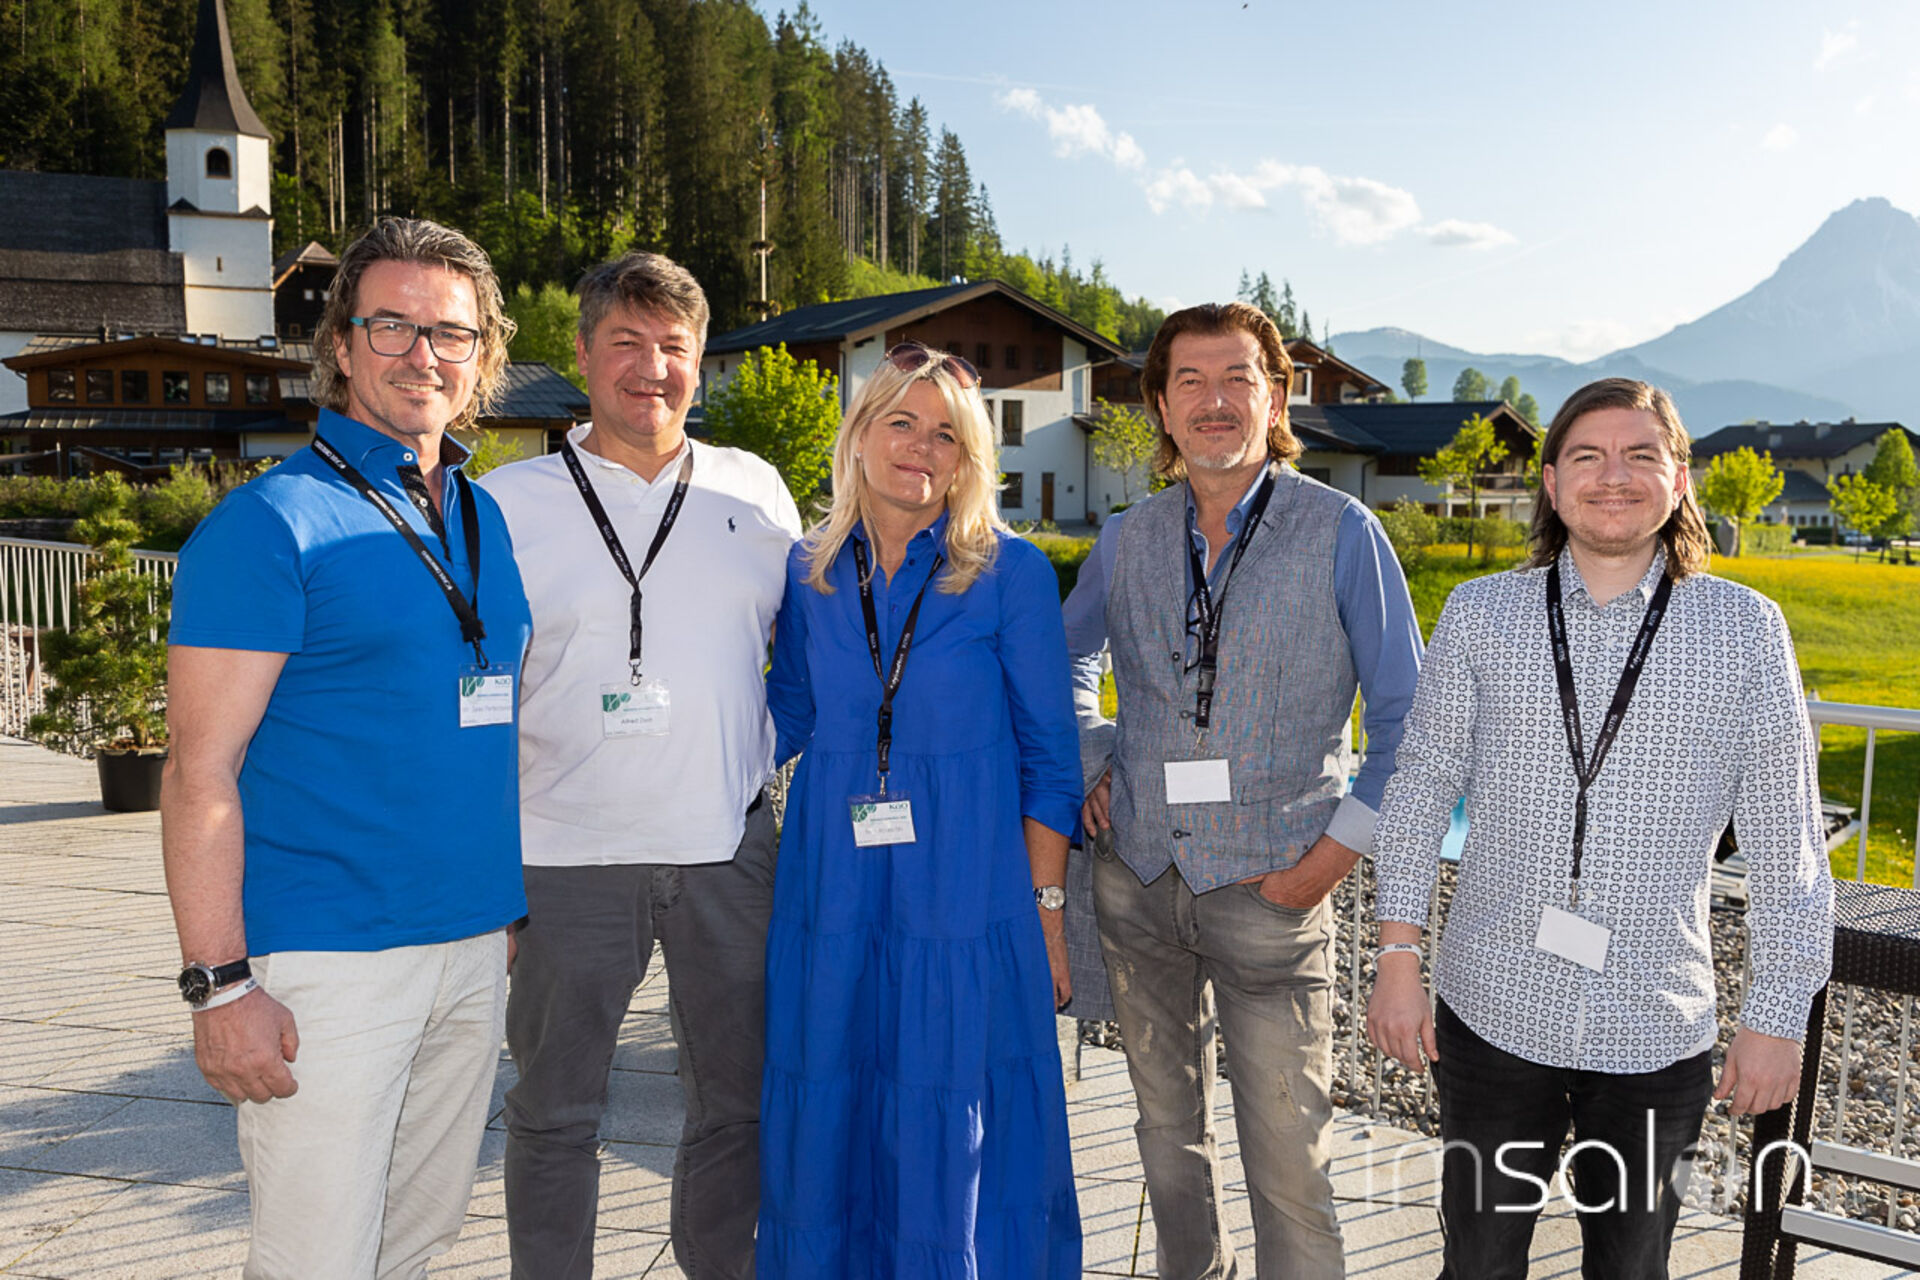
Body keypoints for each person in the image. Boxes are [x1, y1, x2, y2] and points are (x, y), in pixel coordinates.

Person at [1367, 377, 1834, 1279]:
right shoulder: (1480, 614)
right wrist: (1396, 958)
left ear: (1680, 477)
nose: (1612, 476)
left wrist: (1777, 1018)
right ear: (1550, 482)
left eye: (1639, 455)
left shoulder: (1745, 630)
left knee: (1632, 1268)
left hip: (1655, 1024)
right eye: (1586, 455)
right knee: (1479, 1263)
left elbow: (1789, 848)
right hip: (1493, 1010)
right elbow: (1419, 789)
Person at [160, 215, 531, 1278]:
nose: (424, 354)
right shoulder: (268, 524)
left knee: (416, 1243)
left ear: (482, 356)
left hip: (472, 945)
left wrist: (499, 918)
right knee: (317, 1258)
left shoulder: (482, 516)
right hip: (328, 962)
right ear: (340, 343)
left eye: (450, 332)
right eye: (393, 325)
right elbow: (197, 772)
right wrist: (221, 985)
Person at [1065, 301, 1423, 1279]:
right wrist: (1096, 757)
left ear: (1276, 399)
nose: (1214, 400)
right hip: (1138, 881)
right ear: (1161, 408)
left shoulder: (1343, 532)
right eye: (1190, 381)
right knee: (1165, 1135)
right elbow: (1063, 661)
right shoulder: (1127, 536)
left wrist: (1328, 862)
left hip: (1276, 890)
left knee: (1289, 1158)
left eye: (1238, 378)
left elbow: (1411, 723)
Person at [481, 252, 800, 1279]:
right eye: (626, 341)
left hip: (728, 849)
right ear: (581, 354)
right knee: (554, 1109)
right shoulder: (504, 503)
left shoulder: (757, 491)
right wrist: (485, 873)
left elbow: (813, 654)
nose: (651, 368)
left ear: (700, 365)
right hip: (563, 857)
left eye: (673, 347)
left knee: (737, 1104)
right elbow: (472, 694)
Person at [757, 343, 1083, 1277]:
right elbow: (785, 718)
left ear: (968, 458)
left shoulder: (1011, 573)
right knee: (832, 1102)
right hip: (835, 894)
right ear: (859, 436)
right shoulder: (808, 572)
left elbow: (1051, 763)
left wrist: (1046, 914)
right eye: (901, 422)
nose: (921, 448)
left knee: (950, 1116)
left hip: (963, 901)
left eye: (946, 434)